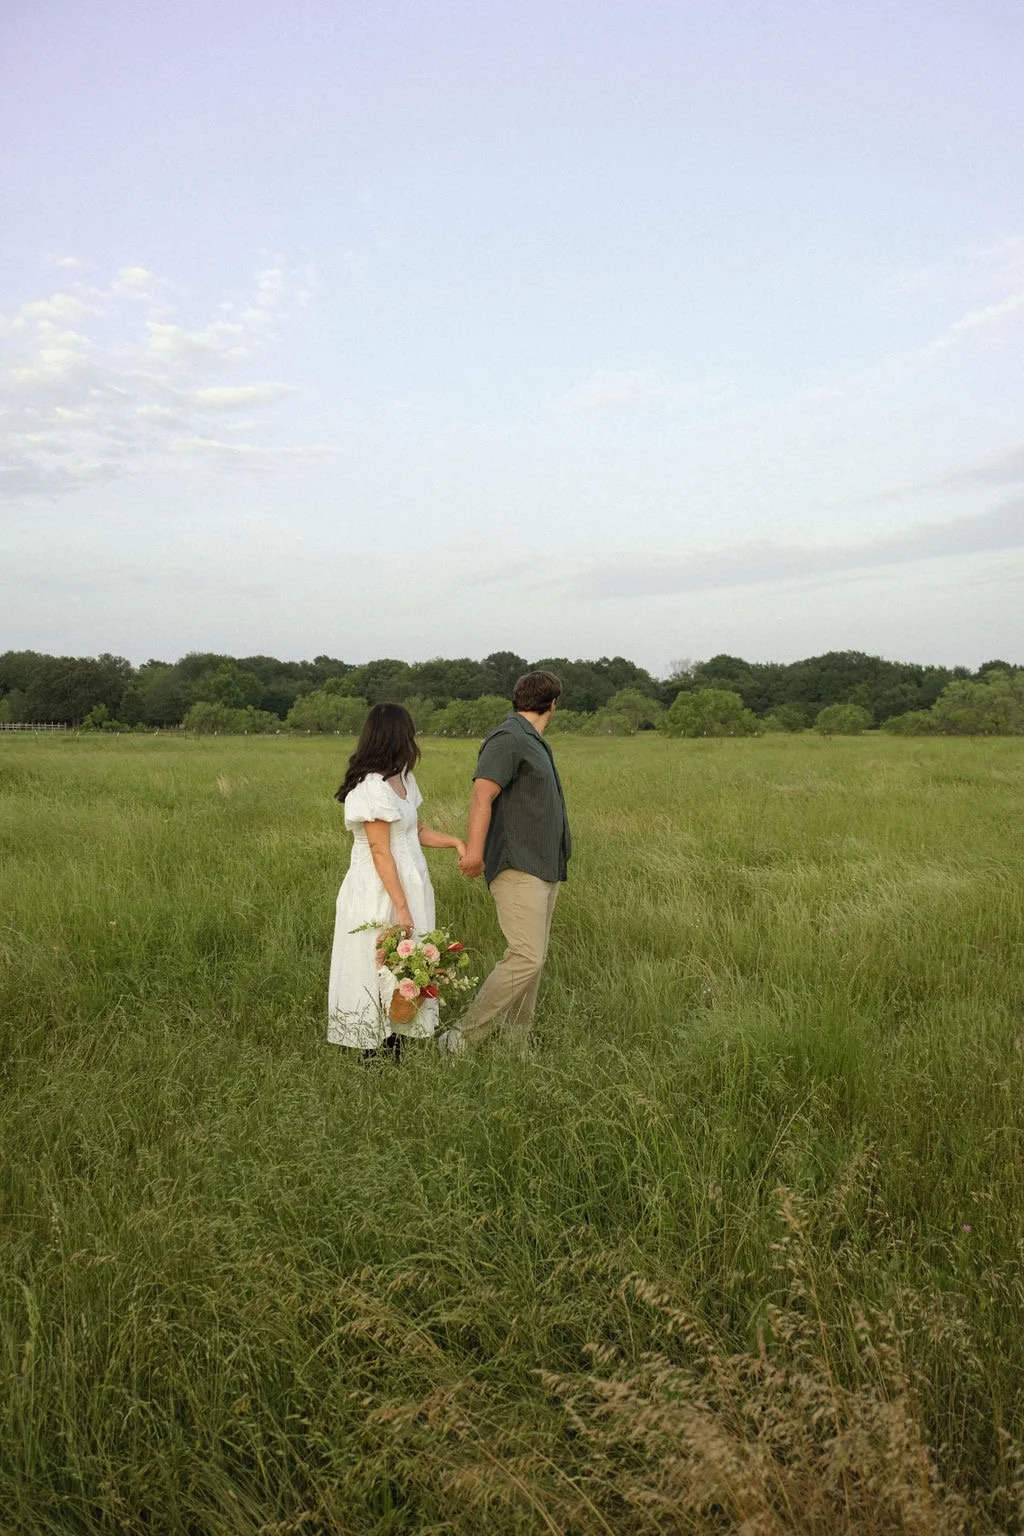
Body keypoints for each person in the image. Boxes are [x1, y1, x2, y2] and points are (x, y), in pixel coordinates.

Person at [441, 670, 571, 1054]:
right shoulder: (509, 737)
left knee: (532, 960)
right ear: (553, 704)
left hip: (544, 865)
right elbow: (483, 795)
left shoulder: (529, 738)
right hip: (518, 865)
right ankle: (460, 1039)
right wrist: (476, 852)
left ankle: (515, 1045)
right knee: (526, 957)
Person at [327, 703, 465, 1060]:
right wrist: (401, 906)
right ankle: (369, 1047)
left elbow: (412, 830)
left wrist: (454, 842)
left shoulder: (401, 778)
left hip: (410, 881)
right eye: (410, 732)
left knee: (406, 960)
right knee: (373, 959)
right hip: (377, 888)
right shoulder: (370, 787)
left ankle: (396, 1035)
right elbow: (380, 851)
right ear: (396, 736)